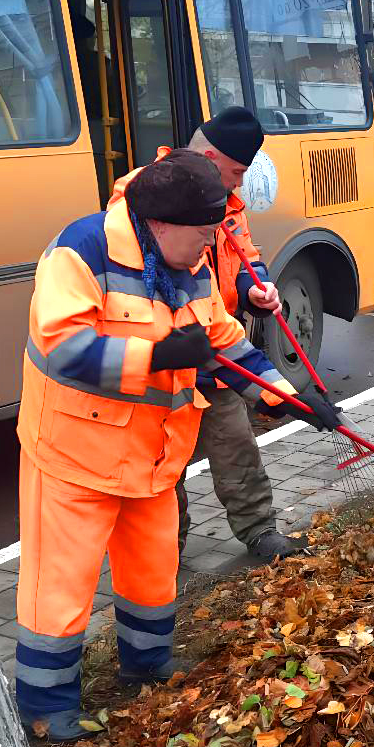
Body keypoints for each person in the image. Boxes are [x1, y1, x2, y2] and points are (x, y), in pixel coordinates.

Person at [14, 149, 342, 740]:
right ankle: (45, 704)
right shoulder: (80, 253)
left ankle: (146, 666)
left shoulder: (187, 265)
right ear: (162, 224)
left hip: (153, 456)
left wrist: (292, 400)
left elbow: (232, 346)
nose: (209, 245)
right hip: (74, 455)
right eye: (202, 233)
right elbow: (62, 347)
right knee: (59, 583)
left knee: (153, 569)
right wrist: (158, 355)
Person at [109, 108, 297, 563]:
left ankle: (259, 529)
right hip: (168, 357)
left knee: (236, 444)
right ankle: (165, 546)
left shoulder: (228, 204)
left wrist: (256, 289)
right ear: (211, 158)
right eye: (235, 172)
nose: (238, 184)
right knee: (162, 459)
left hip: (217, 346)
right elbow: (132, 276)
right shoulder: (143, 195)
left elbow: (245, 256)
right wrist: (169, 345)